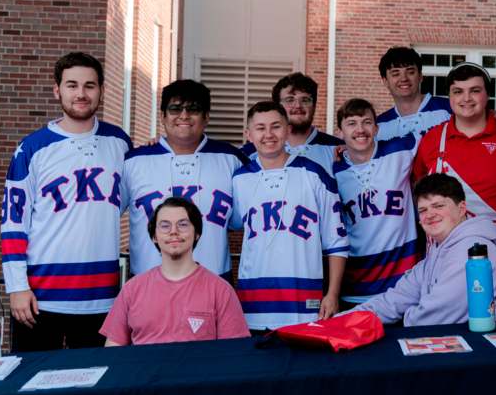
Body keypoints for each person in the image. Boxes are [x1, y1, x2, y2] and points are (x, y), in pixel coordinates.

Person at [1, 52, 132, 351]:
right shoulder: (32, 148)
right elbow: (13, 223)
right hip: (40, 296)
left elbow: (124, 202)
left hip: (102, 296)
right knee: (31, 386)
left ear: (101, 90)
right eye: (72, 85)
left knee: (96, 387)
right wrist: (17, 287)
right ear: (57, 90)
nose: (81, 94)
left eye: (90, 85)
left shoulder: (120, 143)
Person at [412, 62, 496, 311]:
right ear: (450, 97)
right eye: (458, 91)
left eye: (475, 90)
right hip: (442, 243)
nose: (466, 98)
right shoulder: (433, 138)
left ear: (487, 95)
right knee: (442, 320)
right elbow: (418, 187)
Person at [232, 101, 349, 330]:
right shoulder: (238, 179)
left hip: (304, 299)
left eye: (275, 126)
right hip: (253, 301)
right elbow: (234, 224)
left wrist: (332, 293)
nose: (268, 134)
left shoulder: (314, 174)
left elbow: (337, 242)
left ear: (287, 130)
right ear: (249, 134)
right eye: (260, 128)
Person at [122, 80, 248, 280]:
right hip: (147, 282)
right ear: (162, 116)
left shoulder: (231, 159)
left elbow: (241, 219)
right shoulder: (134, 160)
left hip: (213, 280)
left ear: (206, 117)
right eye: (175, 108)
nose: (184, 115)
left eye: (194, 109)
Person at [352, 174, 496, 326]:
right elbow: (393, 300)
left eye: (438, 206)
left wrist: (406, 314)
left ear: (462, 208)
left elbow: (430, 318)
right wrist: (341, 321)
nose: (429, 215)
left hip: (488, 351)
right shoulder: (436, 253)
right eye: (423, 210)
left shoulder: (472, 251)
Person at [101, 197, 249, 345]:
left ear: (197, 233)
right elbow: (113, 348)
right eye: (165, 226)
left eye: (183, 225)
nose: (173, 232)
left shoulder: (221, 291)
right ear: (154, 236)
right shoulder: (131, 289)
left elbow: (234, 355)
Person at [333, 98, 420, 305]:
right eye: (351, 123)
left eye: (367, 122)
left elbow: (446, 130)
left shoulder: (400, 150)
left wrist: (491, 115)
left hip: (401, 284)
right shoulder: (334, 172)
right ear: (339, 133)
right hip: (355, 285)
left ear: (377, 128)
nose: (360, 129)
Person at [376, 46, 496, 140]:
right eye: (395, 73)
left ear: (421, 76)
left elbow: (480, 119)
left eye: (410, 71)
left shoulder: (450, 109)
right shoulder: (378, 125)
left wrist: (493, 114)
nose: (403, 78)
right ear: (384, 81)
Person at [241, 72, 342, 174]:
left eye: (305, 100)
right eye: (290, 99)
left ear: (314, 106)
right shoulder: (247, 153)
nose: (298, 105)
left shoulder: (338, 149)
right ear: (277, 107)